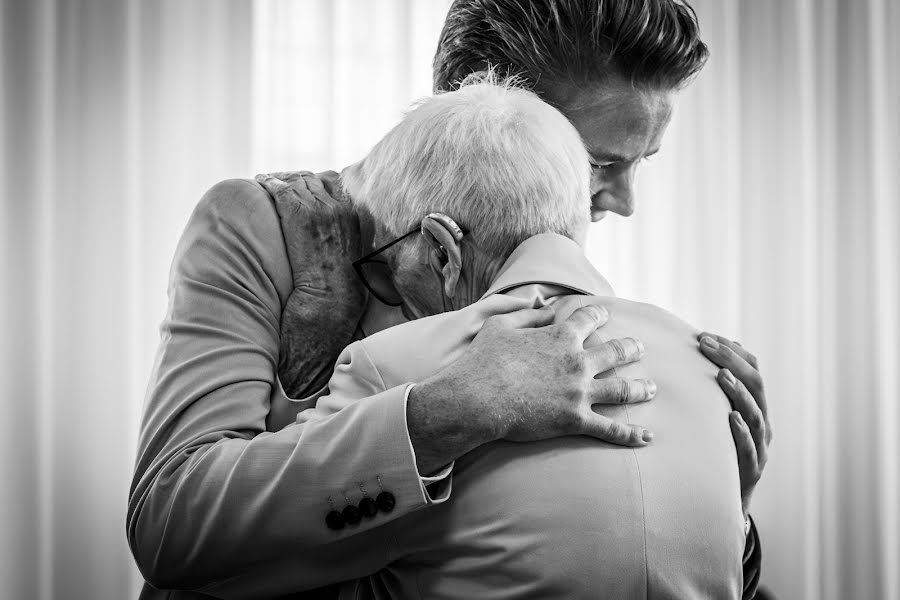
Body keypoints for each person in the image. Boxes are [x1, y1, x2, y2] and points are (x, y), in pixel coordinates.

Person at [128, 1, 768, 598]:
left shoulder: (578, 298)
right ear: (481, 108)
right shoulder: (257, 225)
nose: (623, 204)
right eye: (595, 164)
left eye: (642, 162)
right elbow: (171, 515)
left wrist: (712, 492)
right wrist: (448, 412)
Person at [298, 73, 749, 599]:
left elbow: (235, 555)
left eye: (387, 265)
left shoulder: (391, 369)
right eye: (604, 164)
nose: (387, 289)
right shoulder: (708, 367)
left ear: (442, 252)